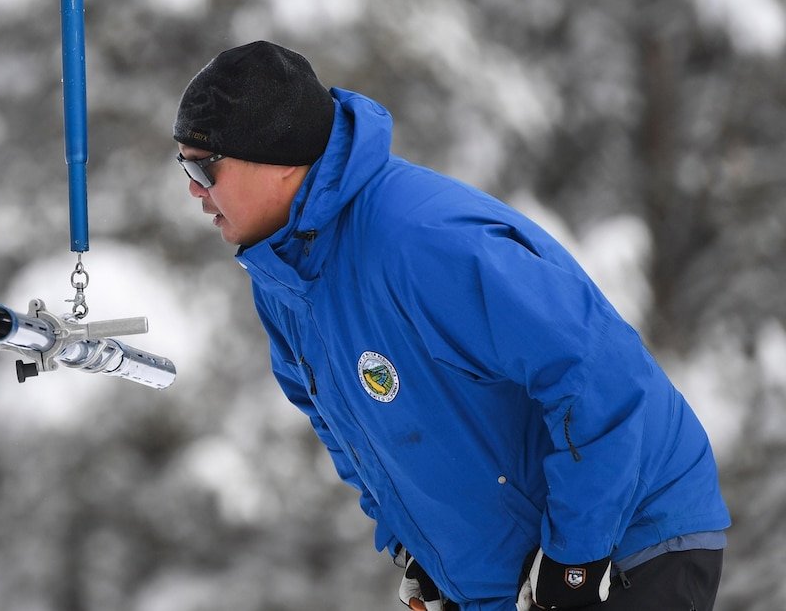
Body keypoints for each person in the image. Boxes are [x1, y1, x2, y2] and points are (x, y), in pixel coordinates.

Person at [172, 41, 729, 611]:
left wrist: (577, 557)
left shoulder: (420, 242)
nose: (193, 187)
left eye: (203, 166)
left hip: (628, 544)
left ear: (281, 158)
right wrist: (419, 546)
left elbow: (599, 372)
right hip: (516, 575)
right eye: (183, 165)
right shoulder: (284, 279)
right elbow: (347, 430)